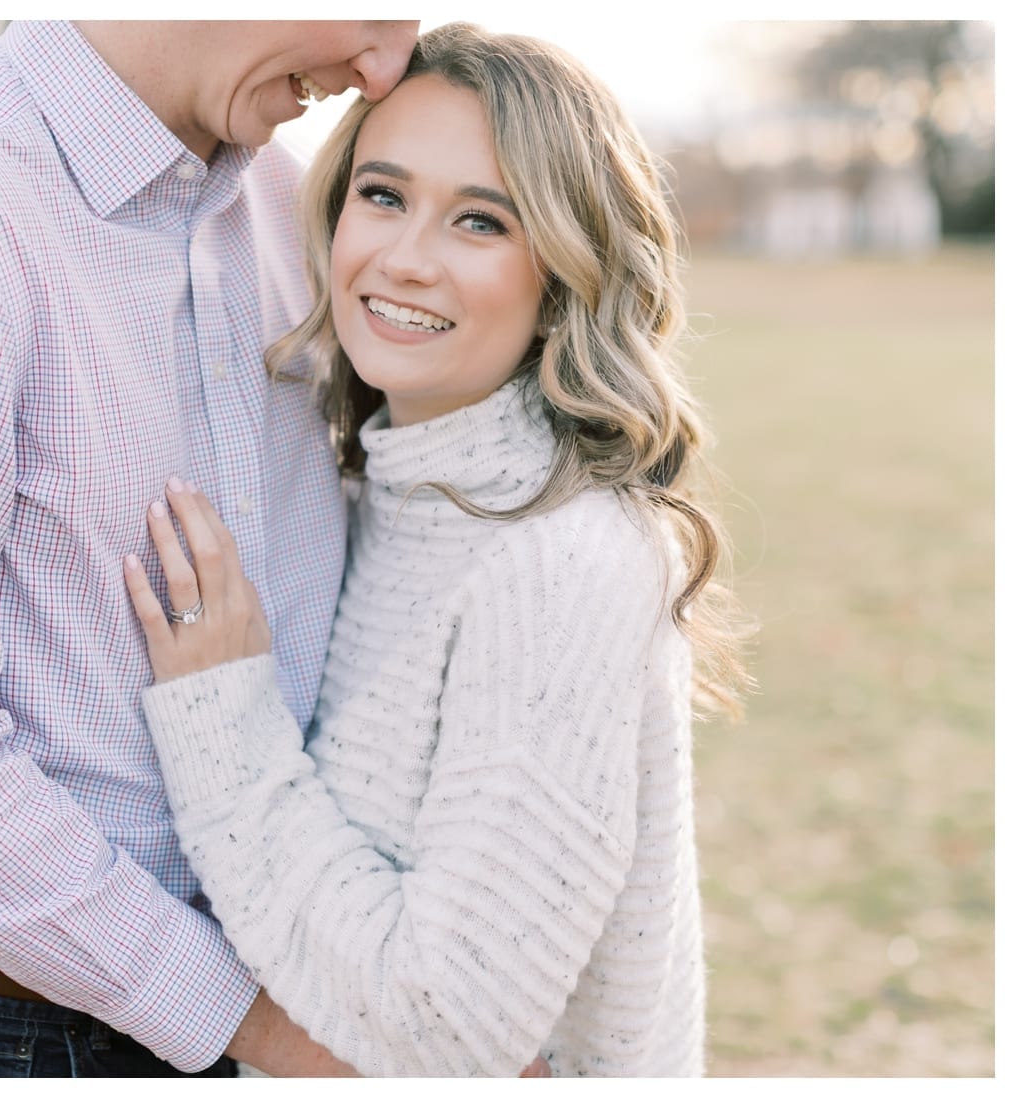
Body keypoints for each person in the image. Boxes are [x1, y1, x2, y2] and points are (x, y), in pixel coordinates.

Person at [0, 19, 422, 1078]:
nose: (385, 68)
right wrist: (256, 1028)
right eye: (374, 12)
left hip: (299, 996)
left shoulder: (293, 199)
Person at [124, 22, 753, 1077]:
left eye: (479, 220)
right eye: (382, 195)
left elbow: (445, 1023)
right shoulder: (378, 496)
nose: (404, 258)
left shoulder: (558, 563)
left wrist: (219, 717)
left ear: (563, 272)